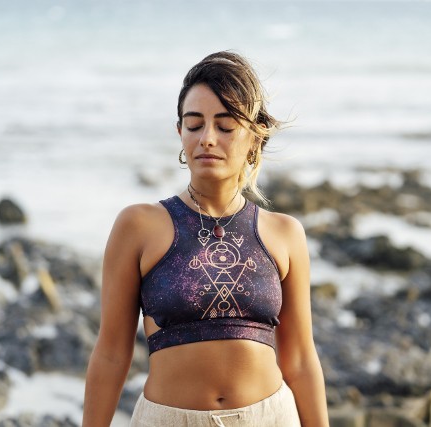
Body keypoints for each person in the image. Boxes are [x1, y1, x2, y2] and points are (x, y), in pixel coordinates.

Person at [82, 51, 329, 427]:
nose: (207, 139)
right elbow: (112, 354)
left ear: (254, 136)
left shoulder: (284, 233)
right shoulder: (139, 226)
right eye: (194, 125)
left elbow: (299, 360)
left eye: (226, 126)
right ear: (179, 132)